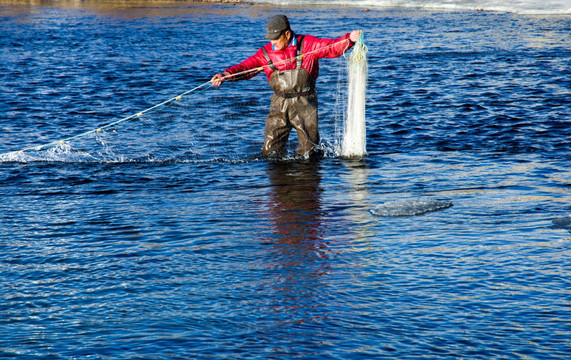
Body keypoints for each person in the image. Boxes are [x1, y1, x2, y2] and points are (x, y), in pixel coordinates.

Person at [211, 15, 361, 158]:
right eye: (270, 39)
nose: (272, 43)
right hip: (279, 105)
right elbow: (246, 68)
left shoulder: (307, 44)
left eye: (275, 39)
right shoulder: (265, 53)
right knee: (270, 152)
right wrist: (226, 75)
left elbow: (331, 47)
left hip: (305, 104)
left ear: (287, 34)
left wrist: (349, 39)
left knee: (309, 153)